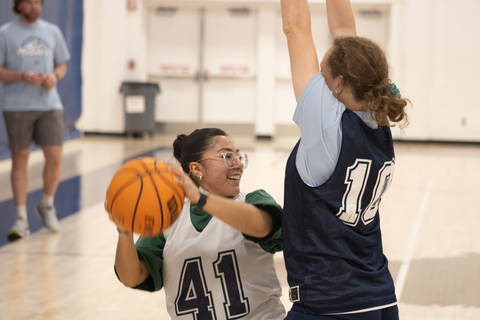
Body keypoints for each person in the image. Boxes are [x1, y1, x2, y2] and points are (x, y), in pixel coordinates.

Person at [280, 0, 410, 319]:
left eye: (323, 71)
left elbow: (295, 27)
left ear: (339, 83)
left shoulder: (325, 124)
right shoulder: (378, 114)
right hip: (378, 296)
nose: (317, 77)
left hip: (331, 303)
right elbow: (344, 33)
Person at [109, 128, 286, 320]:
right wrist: (124, 229)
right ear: (197, 169)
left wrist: (200, 199)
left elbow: (261, 226)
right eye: (227, 156)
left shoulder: (253, 201)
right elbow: (131, 277)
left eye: (239, 155)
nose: (238, 164)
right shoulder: (169, 219)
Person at [0, 0, 70, 241]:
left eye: (38, 2)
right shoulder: (5, 33)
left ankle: (47, 204)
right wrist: (20, 75)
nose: (35, 7)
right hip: (17, 107)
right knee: (20, 160)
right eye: (29, 2)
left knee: (55, 156)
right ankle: (21, 217)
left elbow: (62, 65)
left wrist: (54, 76)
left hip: (48, 105)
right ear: (19, 5)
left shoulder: (52, 31)